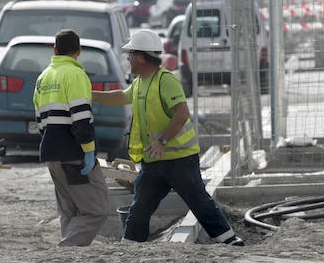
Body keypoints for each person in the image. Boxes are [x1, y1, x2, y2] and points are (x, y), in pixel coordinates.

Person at [91, 29, 244, 246]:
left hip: (179, 159)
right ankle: (129, 246)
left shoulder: (166, 81)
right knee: (141, 205)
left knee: (198, 202)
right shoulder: (140, 81)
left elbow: (182, 114)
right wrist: (91, 94)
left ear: (142, 57)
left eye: (131, 54)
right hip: (154, 161)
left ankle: (230, 242)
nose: (128, 58)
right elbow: (121, 96)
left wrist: (162, 141)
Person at [33, 29, 111, 246]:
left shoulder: (43, 77)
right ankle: (66, 249)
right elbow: (81, 117)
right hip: (73, 154)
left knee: (69, 210)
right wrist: (88, 152)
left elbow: (40, 120)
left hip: (51, 152)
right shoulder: (75, 75)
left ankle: (68, 260)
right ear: (79, 51)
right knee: (97, 210)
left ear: (55, 50)